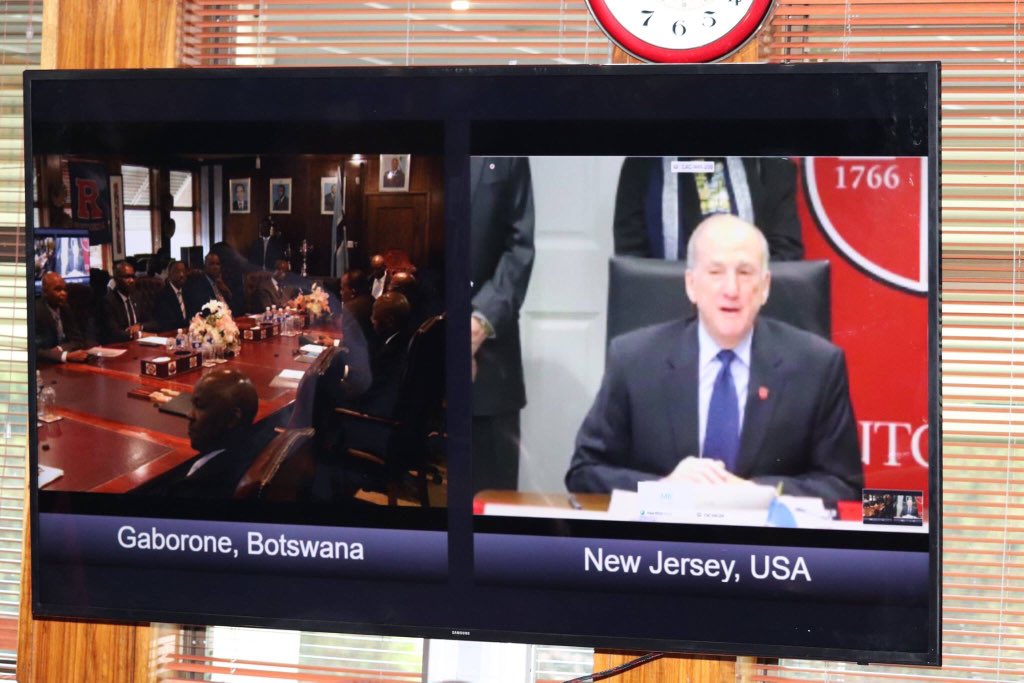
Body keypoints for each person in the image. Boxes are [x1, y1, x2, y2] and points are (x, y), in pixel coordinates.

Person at [565, 214, 862, 503]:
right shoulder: (633, 359)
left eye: (745, 273)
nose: (731, 290)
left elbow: (846, 487)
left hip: (769, 549)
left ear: (765, 286)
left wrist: (761, 493)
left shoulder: (817, 365)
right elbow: (583, 472)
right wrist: (663, 488)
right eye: (715, 272)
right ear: (691, 285)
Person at [470, 156, 535, 492]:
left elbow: (518, 248)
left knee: (492, 516)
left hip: (491, 368)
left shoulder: (509, 155)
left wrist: (479, 324)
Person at [613, 157, 804, 262]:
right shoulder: (642, 165)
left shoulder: (769, 164)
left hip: (747, 311)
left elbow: (785, 252)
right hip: (666, 309)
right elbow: (631, 258)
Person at [137, 369, 262, 498]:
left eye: (200, 406)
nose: (189, 415)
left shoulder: (204, 485)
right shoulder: (253, 445)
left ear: (232, 418)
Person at [36, 272, 88, 363]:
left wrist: (60, 348)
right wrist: (64, 356)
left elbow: (78, 340)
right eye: (58, 289)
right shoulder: (36, 312)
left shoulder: (65, 308)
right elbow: (34, 351)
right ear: (45, 292)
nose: (63, 293)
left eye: (65, 289)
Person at [100, 261, 155, 343]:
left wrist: (140, 326)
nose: (132, 280)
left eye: (133, 277)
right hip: (120, 346)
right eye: (127, 277)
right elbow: (114, 333)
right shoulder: (108, 301)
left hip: (140, 344)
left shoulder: (138, 297)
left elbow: (153, 322)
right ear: (116, 279)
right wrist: (139, 334)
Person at [183, 252, 232, 318]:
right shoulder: (199, 284)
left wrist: (225, 289)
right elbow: (204, 310)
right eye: (212, 264)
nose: (215, 267)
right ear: (205, 266)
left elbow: (231, 302)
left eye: (217, 264)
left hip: (228, 318)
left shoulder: (222, 280)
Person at [153, 260, 190, 331]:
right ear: (169, 274)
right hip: (171, 333)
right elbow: (167, 322)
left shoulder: (188, 292)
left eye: (184, 271)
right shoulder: (162, 295)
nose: (181, 275)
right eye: (177, 271)